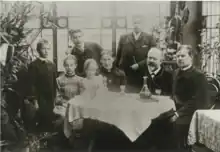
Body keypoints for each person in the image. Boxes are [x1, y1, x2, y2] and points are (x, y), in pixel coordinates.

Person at [170, 45, 210, 150]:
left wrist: (179, 113)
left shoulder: (198, 75)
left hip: (192, 113)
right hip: (176, 110)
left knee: (176, 126)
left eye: (183, 56)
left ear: (191, 57)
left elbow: (198, 100)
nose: (179, 59)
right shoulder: (176, 73)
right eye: (177, 56)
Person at [115, 18, 156, 93]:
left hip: (142, 73)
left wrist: (139, 65)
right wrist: (116, 68)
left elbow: (153, 56)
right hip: (126, 73)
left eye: (139, 23)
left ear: (143, 25)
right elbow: (118, 55)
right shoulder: (124, 37)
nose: (137, 25)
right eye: (135, 23)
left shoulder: (149, 38)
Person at [26, 39, 56, 132]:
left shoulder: (52, 65)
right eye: (44, 49)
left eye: (48, 49)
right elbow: (31, 84)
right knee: (41, 119)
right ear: (38, 50)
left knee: (50, 119)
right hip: (40, 98)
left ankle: (48, 141)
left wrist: (54, 98)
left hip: (50, 98)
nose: (46, 51)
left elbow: (54, 82)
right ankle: (40, 141)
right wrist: (35, 100)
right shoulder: (34, 65)